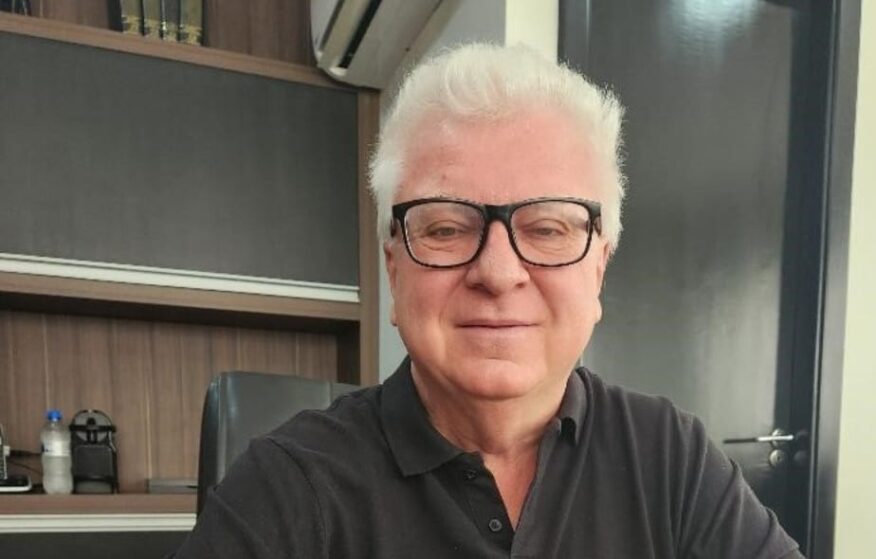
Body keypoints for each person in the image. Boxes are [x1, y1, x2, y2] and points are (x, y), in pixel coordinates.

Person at [174, 43, 803, 559]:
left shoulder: (671, 459)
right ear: (395, 269)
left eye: (548, 229)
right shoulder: (286, 487)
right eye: (447, 229)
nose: (499, 273)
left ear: (599, 269)